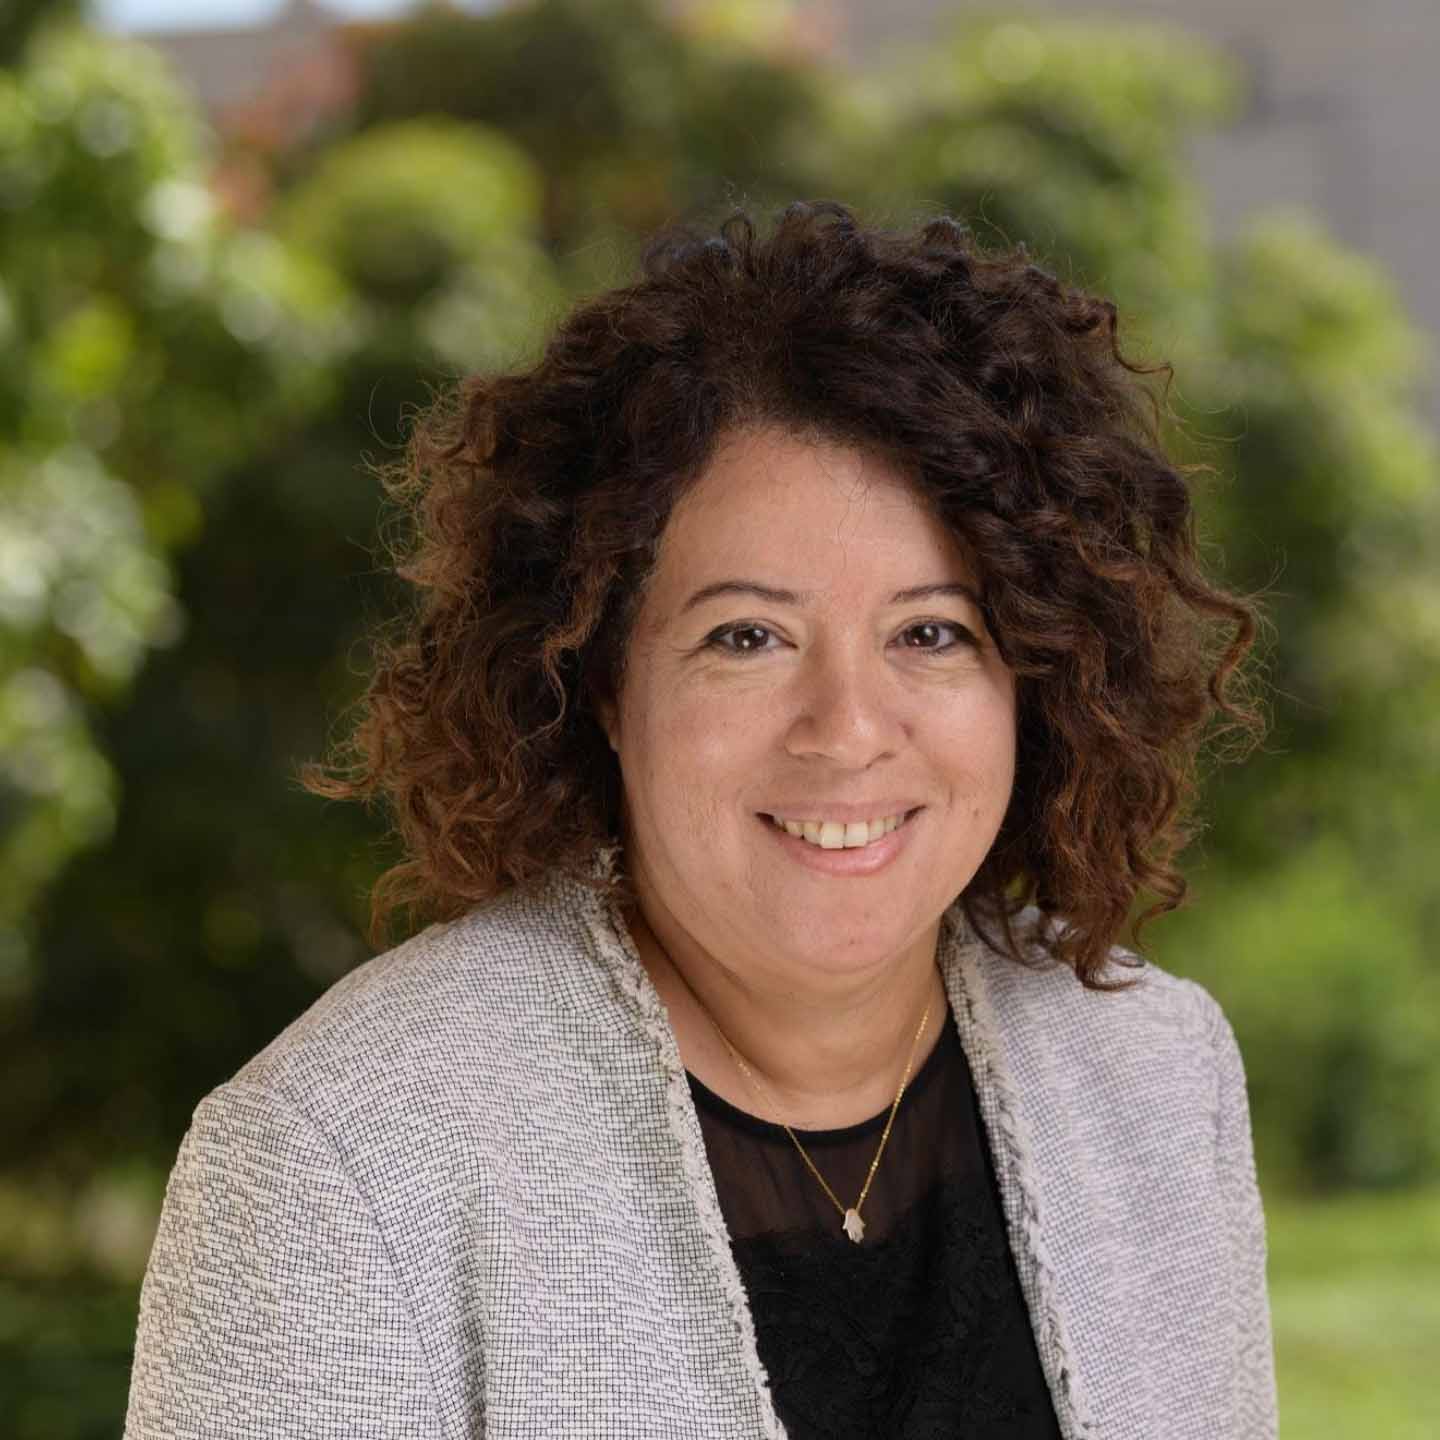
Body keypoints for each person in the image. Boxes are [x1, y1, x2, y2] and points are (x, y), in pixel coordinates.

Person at [123, 200, 1278, 1439]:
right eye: (747, 637)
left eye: (930, 633)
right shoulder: (341, 1160)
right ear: (604, 684)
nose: (846, 728)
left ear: (1035, 679)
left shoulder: (1157, 1071)